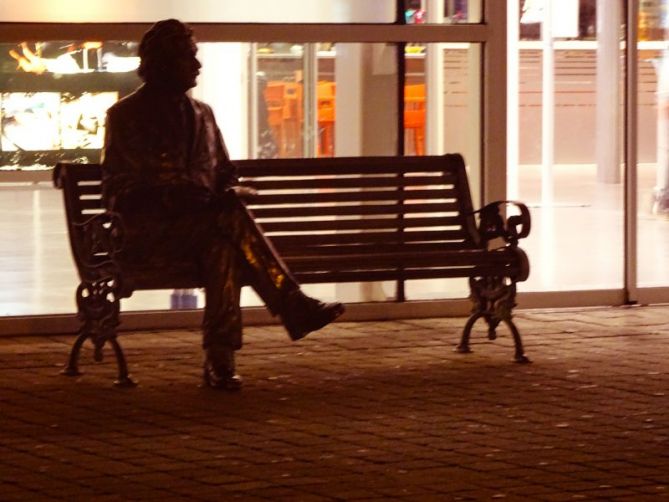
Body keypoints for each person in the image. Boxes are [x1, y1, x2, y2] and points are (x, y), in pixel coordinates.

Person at [101, 19, 344, 390]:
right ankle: (288, 306)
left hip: (204, 229)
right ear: (163, 63)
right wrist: (170, 195)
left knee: (222, 249)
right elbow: (117, 187)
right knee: (226, 227)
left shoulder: (204, 114)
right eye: (189, 58)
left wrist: (228, 191)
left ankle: (221, 358)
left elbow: (226, 173)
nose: (197, 66)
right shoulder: (126, 116)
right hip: (150, 234)